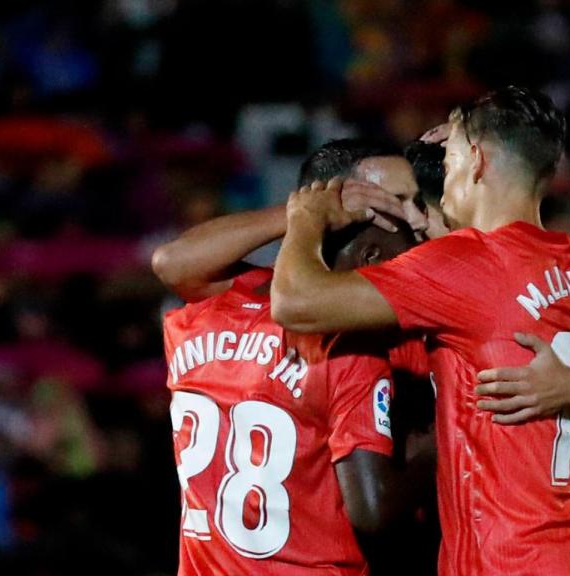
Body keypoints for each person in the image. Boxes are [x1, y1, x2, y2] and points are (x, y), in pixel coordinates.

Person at [271, 86, 570, 575]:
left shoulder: (462, 267)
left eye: (453, 154)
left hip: (505, 562)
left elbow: (295, 302)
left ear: (477, 161)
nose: (446, 169)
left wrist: (304, 219)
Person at [158, 140, 425, 575]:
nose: (420, 220)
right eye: (400, 204)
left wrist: (301, 215)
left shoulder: (209, 314)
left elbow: (172, 262)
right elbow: (374, 509)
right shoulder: (351, 343)